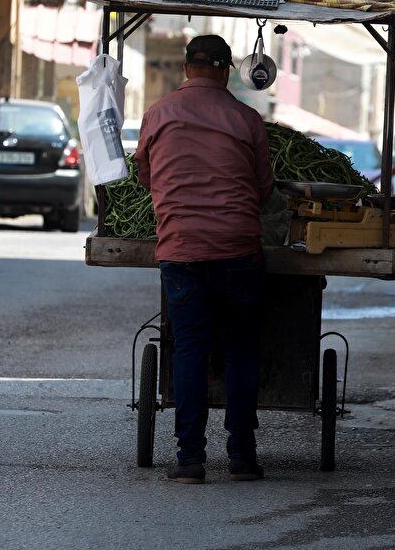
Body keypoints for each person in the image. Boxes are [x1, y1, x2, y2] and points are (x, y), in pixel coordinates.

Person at [134, 34, 275, 484]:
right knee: (240, 348)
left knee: (190, 349)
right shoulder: (246, 118)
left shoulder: (158, 113)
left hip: (181, 249)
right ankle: (242, 456)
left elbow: (144, 176)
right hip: (238, 249)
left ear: (186, 68)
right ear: (226, 71)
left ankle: (190, 459)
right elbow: (264, 188)